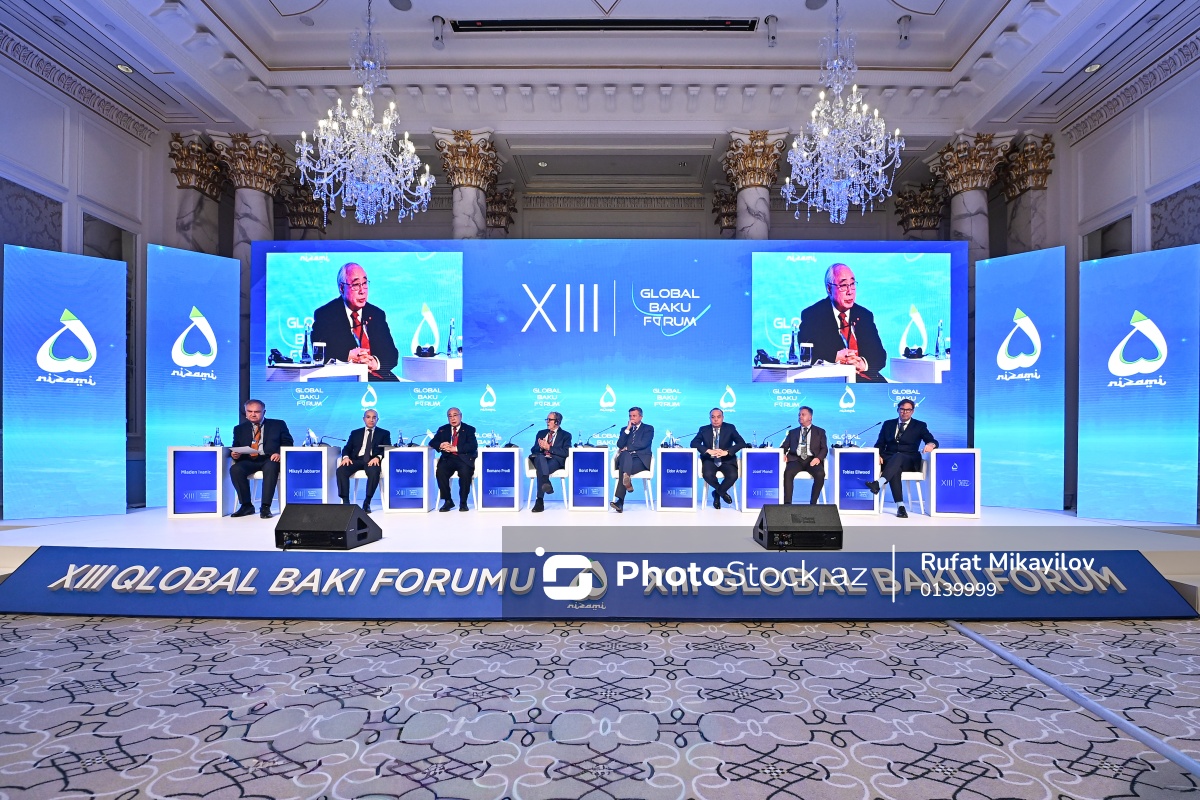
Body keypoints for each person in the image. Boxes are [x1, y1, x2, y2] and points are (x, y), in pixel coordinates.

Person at [796, 263, 887, 383]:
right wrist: (834, 357)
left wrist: (863, 363)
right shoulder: (813, 315)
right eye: (843, 285)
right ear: (829, 289)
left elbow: (880, 356)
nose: (850, 291)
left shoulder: (864, 315)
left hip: (868, 381)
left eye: (852, 284)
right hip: (834, 382)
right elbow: (807, 355)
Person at [311, 262, 400, 381]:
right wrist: (346, 357)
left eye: (365, 283)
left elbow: (392, 355)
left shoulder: (376, 314)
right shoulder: (326, 315)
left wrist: (375, 362)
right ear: (342, 288)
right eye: (356, 285)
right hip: (347, 381)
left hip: (381, 380)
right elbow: (319, 354)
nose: (362, 291)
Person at [867, 398, 938, 518]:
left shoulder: (920, 425)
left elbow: (932, 440)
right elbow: (879, 444)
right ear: (898, 410)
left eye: (908, 410)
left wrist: (931, 445)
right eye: (902, 409)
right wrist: (877, 454)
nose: (905, 412)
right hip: (890, 460)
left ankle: (878, 483)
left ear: (913, 411)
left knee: (898, 457)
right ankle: (901, 507)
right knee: (895, 468)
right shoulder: (888, 424)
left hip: (910, 460)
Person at [229, 399, 293, 519]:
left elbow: (288, 442)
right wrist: (235, 454)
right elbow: (236, 446)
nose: (253, 414)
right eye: (250, 411)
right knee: (235, 469)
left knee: (271, 467)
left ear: (264, 412)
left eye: (257, 412)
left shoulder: (278, 425)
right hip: (249, 459)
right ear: (246, 412)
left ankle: (265, 507)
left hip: (270, 458)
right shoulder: (239, 429)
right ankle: (246, 505)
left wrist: (279, 453)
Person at [336, 409, 392, 513]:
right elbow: (347, 448)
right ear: (364, 419)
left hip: (372, 460)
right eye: (368, 417)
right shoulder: (355, 433)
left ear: (377, 419)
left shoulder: (384, 433)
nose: (371, 420)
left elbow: (387, 448)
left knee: (374, 471)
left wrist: (378, 457)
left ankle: (367, 502)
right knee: (341, 470)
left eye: (374, 417)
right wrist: (346, 457)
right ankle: (346, 502)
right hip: (356, 460)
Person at [690, 408, 746, 509]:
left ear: (723, 418)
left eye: (718, 417)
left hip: (726, 460)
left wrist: (727, 452)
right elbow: (693, 443)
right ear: (710, 418)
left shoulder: (730, 428)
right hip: (710, 459)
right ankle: (722, 492)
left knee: (733, 475)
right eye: (713, 417)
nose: (716, 419)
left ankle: (717, 494)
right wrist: (708, 450)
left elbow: (742, 443)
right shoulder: (703, 429)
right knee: (707, 474)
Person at [429, 407, 477, 512]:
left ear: (461, 416)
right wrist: (441, 445)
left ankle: (463, 502)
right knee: (440, 472)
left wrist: (455, 448)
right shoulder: (443, 429)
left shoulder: (469, 429)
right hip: (448, 458)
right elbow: (432, 442)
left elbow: (472, 446)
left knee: (465, 473)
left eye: (455, 415)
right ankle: (448, 501)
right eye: (450, 416)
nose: (452, 418)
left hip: (463, 458)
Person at [610, 407, 654, 513]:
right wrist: (628, 429)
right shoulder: (624, 429)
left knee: (623, 468)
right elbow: (620, 444)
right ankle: (627, 483)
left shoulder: (648, 429)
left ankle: (620, 502)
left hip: (640, 460)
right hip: (626, 458)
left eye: (634, 416)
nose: (632, 418)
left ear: (641, 417)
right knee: (624, 456)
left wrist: (628, 447)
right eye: (630, 416)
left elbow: (643, 444)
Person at [781, 406, 828, 505]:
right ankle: (787, 504)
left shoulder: (820, 432)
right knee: (788, 473)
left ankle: (813, 503)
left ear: (810, 417)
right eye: (799, 415)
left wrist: (818, 458)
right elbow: (784, 447)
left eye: (803, 414)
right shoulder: (792, 432)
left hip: (812, 460)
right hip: (796, 460)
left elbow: (824, 449)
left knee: (820, 474)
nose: (800, 417)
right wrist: (783, 454)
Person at [530, 412, 572, 513]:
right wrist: (541, 447)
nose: (547, 422)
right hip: (540, 458)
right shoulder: (541, 433)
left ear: (557, 422)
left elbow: (566, 452)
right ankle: (546, 482)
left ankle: (539, 500)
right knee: (540, 458)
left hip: (554, 460)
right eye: (547, 419)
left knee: (541, 470)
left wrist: (549, 448)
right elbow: (533, 450)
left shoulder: (566, 435)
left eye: (550, 420)